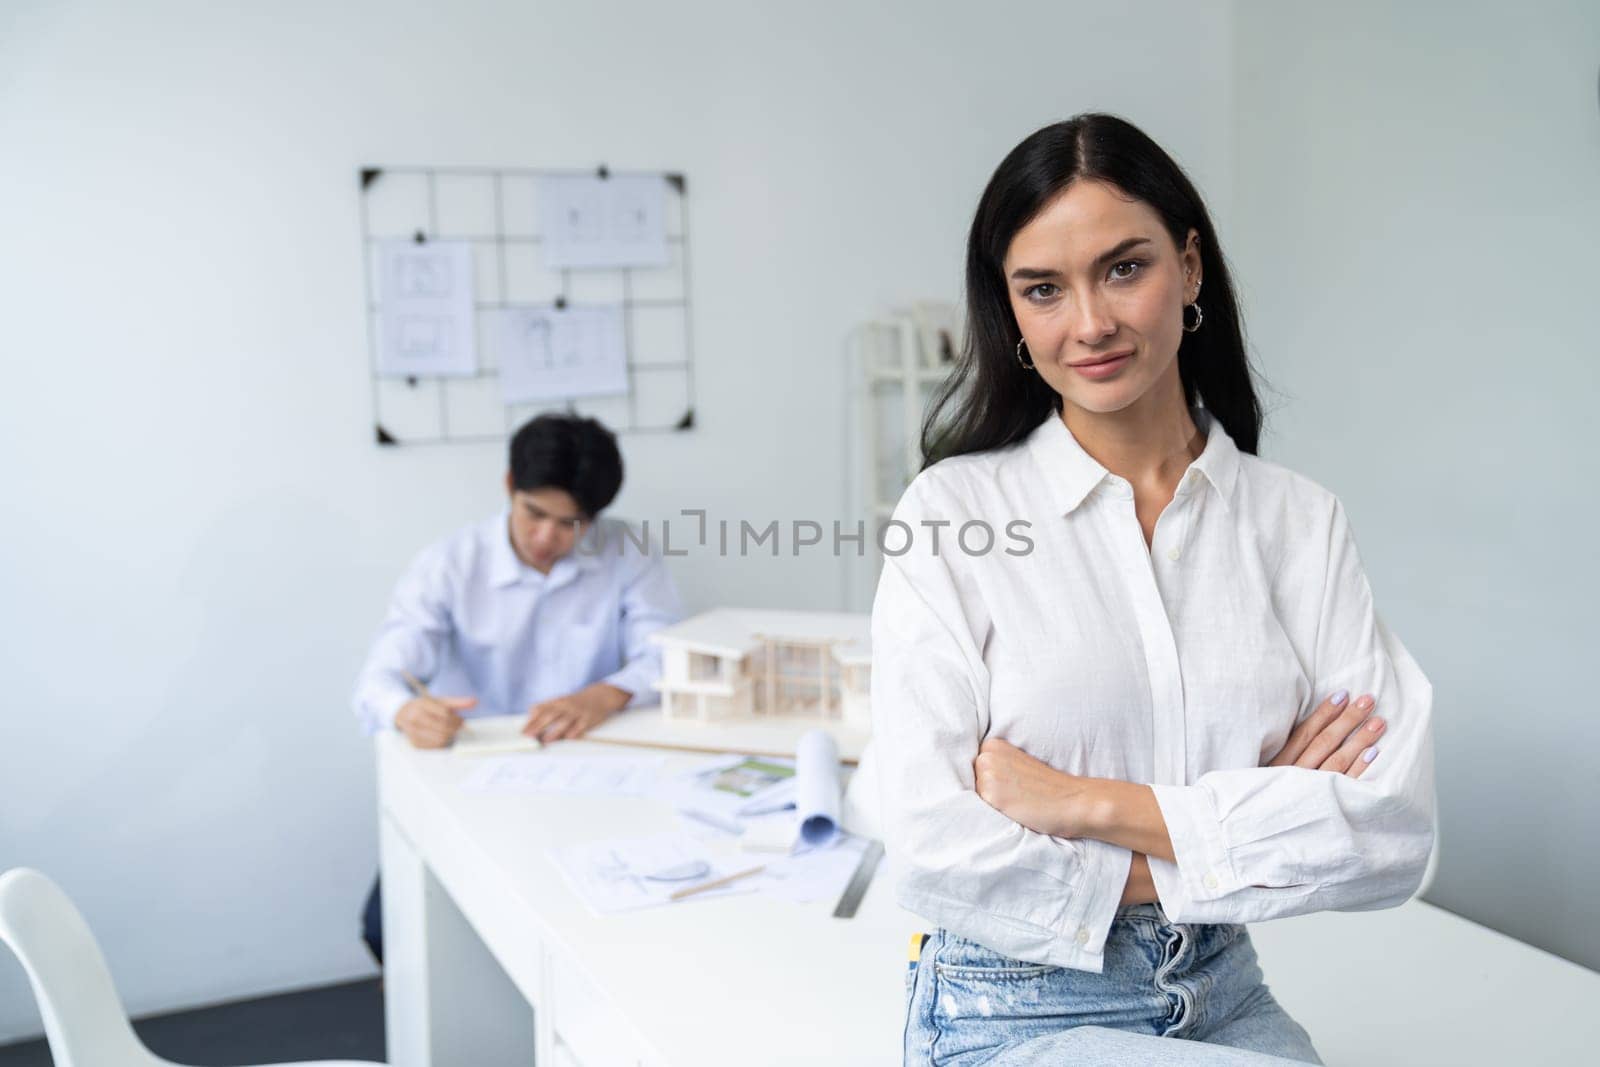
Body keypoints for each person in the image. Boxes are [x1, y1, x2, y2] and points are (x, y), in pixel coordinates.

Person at [872, 114, 1435, 1065]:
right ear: (1011, 314)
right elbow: (932, 843)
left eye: (1124, 268)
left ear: (1191, 267)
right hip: (1010, 1006)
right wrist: (1261, 811)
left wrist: (1085, 802)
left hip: (1225, 990)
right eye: (1042, 289)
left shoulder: (1298, 522)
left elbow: (1389, 830)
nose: (1089, 322)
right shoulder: (952, 511)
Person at [351, 412, 682, 961]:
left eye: (570, 523)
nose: (547, 537)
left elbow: (668, 655)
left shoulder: (626, 551)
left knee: (589, 916)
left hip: (586, 771)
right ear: (510, 486)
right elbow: (377, 679)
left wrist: (607, 693)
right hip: (476, 771)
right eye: (534, 514)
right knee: (389, 925)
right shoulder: (451, 564)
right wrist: (407, 710)